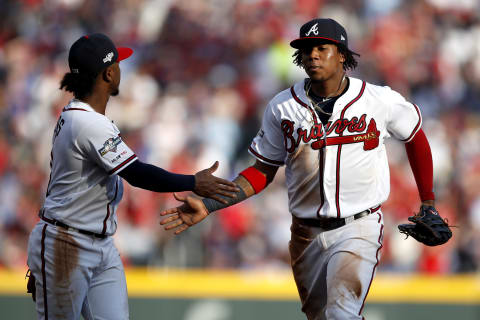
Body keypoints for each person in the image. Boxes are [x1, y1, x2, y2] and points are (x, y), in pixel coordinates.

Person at [160, 18, 441, 320]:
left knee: (342, 314)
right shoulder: (282, 107)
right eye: (307, 50)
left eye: (322, 48)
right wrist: (210, 204)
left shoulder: (377, 100)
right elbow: (261, 172)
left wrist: (428, 201)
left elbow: (415, 137)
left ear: (343, 55)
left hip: (358, 226)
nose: (313, 55)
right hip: (305, 233)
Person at [26, 33, 239, 320]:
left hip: (99, 243)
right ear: (109, 73)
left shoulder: (81, 116)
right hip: (66, 243)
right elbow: (137, 174)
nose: (122, 70)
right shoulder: (86, 122)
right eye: (118, 64)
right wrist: (194, 182)